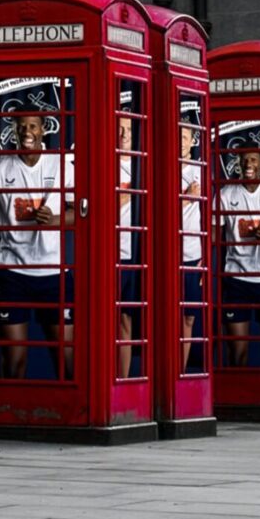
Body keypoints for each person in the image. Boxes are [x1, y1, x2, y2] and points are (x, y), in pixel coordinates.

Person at [0, 111, 75, 379]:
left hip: (53, 273)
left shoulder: (60, 165)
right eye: (21, 127)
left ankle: (68, 418)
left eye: (33, 126)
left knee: (66, 357)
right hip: (13, 273)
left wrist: (56, 219)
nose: (27, 132)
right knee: (14, 359)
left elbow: (81, 212)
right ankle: (10, 414)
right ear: (14, 131)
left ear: (43, 130)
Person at [218, 147, 260, 367]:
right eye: (244, 159)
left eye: (253, 160)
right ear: (238, 163)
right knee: (238, 352)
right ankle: (238, 398)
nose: (249, 164)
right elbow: (211, 232)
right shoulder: (226, 193)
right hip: (237, 279)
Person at [116, 112, 143, 379]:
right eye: (119, 129)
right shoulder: (102, 162)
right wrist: (127, 195)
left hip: (136, 255)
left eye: (129, 130)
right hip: (109, 255)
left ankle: (122, 381)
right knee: (105, 324)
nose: (124, 136)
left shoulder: (143, 165)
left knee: (127, 321)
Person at [178, 120, 206, 369]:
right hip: (166, 253)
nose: (180, 140)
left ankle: (181, 370)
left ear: (193, 141)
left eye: (185, 136)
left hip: (193, 253)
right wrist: (186, 199)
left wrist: (206, 255)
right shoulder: (159, 164)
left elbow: (210, 215)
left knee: (189, 316)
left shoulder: (200, 169)